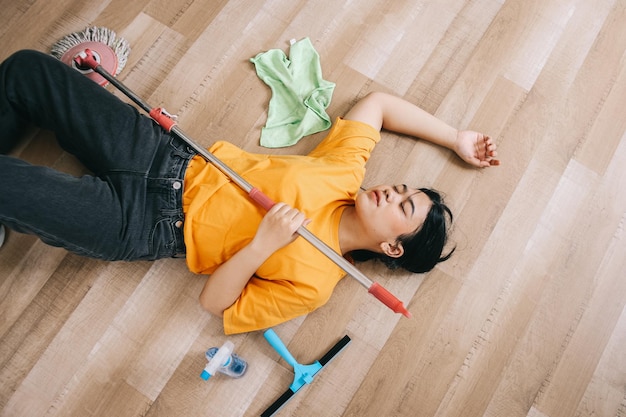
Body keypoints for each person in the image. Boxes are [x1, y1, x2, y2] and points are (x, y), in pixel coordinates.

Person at [0, 50, 498, 334]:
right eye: (402, 187)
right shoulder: (344, 172)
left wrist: (263, 244)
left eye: (403, 204)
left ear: (393, 247)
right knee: (25, 70)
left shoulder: (315, 286)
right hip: (164, 152)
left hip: (140, 224)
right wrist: (454, 137)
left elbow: (215, 304)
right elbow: (380, 104)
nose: (392, 190)